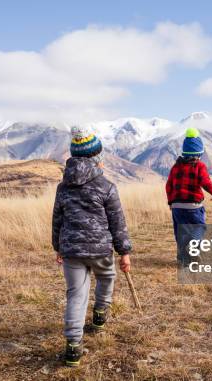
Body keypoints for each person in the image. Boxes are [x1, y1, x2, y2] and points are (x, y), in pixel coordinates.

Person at [52, 126, 132, 367]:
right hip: (100, 250)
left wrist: (58, 246)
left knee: (76, 295)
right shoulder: (106, 186)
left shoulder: (63, 187)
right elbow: (117, 222)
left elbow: (57, 219)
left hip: (71, 251)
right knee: (107, 277)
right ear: (97, 157)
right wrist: (124, 251)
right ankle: (100, 313)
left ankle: (73, 347)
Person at [165, 128, 212, 266]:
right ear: (199, 153)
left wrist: (171, 202)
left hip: (177, 207)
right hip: (193, 206)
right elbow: (206, 183)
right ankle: (193, 248)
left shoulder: (176, 167)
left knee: (181, 232)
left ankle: (183, 259)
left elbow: (168, 185)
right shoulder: (199, 166)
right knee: (199, 228)